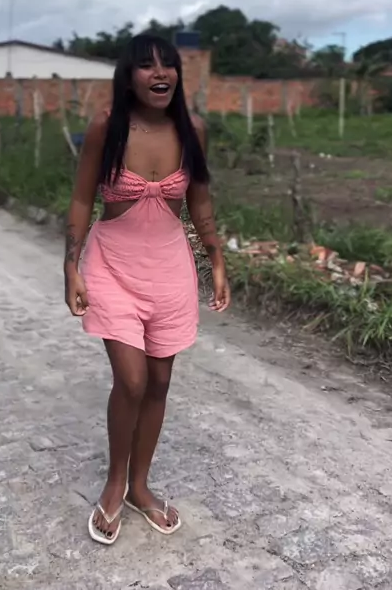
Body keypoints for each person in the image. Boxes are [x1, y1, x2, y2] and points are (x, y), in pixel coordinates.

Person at [64, 33, 230, 546]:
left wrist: (216, 260)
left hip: (170, 270)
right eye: (147, 65)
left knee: (159, 381)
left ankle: (140, 486)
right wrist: (70, 266)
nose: (160, 73)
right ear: (128, 76)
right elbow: (82, 199)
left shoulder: (193, 129)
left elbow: (200, 201)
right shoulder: (106, 126)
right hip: (112, 266)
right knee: (132, 380)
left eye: (168, 64)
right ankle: (115, 483)